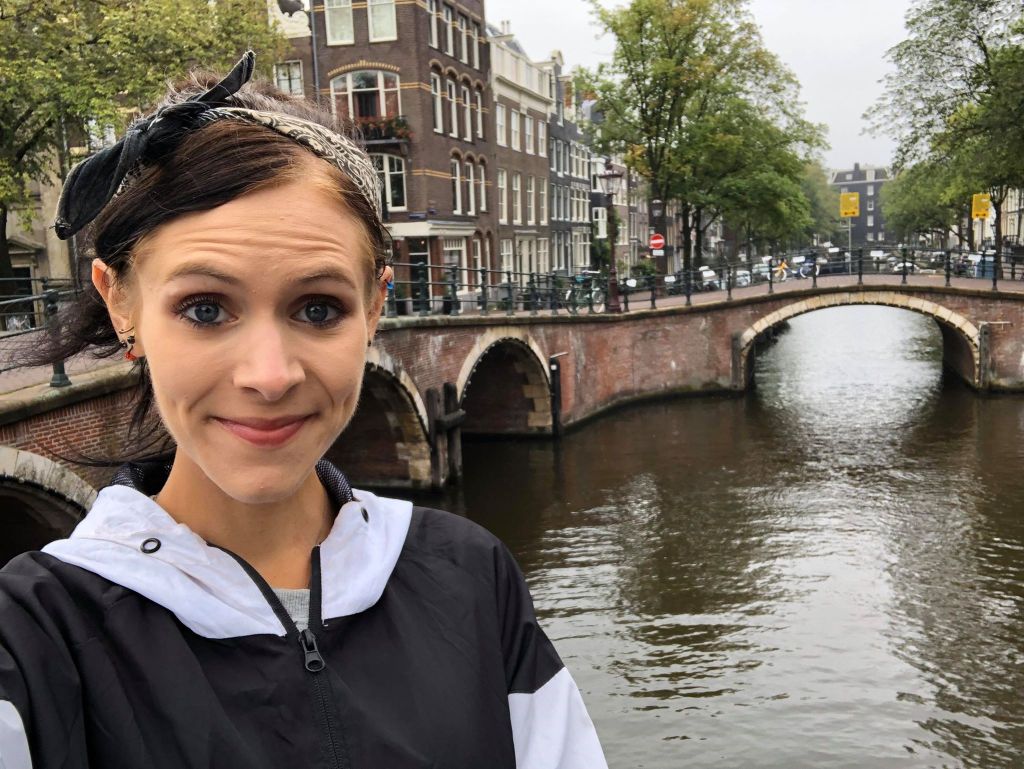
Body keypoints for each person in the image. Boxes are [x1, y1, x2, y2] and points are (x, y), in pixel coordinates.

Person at [0, 53, 607, 769]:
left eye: (318, 308)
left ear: (375, 307)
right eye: (205, 308)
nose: (269, 376)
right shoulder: (32, 640)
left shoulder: (475, 577)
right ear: (120, 303)